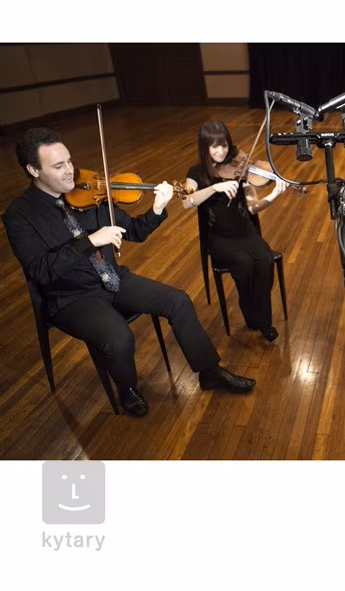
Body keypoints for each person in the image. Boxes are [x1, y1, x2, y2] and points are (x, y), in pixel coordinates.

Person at [2, 128, 256, 418]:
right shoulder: (19, 215)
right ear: (33, 170)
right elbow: (40, 270)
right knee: (120, 339)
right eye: (58, 166)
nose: (70, 171)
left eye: (69, 161)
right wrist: (90, 241)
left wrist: (157, 209)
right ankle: (128, 390)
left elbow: (135, 231)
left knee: (179, 301)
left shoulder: (89, 191)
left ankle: (209, 371)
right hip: (72, 296)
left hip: (113, 278)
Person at [183, 120, 289, 342]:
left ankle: (260, 317)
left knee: (265, 259)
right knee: (244, 262)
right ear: (205, 147)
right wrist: (215, 187)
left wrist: (273, 195)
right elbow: (186, 201)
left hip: (244, 231)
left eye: (224, 145)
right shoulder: (196, 173)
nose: (221, 151)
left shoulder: (240, 169)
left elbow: (253, 207)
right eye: (215, 146)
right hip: (219, 237)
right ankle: (253, 314)